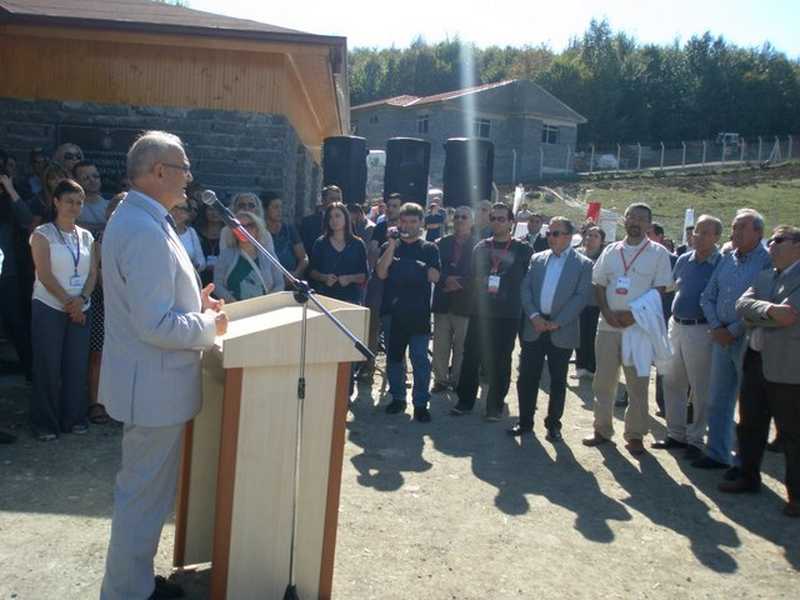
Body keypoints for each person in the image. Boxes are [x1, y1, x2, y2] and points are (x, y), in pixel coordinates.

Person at [100, 131, 228, 600]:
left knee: (145, 497)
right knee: (141, 499)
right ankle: (127, 593)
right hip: (152, 388)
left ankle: (131, 584)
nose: (189, 178)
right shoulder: (140, 226)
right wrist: (209, 326)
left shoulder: (143, 218)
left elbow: (155, 301)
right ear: (158, 172)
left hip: (152, 385)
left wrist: (197, 302)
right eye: (184, 169)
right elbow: (155, 324)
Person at [583, 202, 674, 456]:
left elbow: (660, 289)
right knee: (603, 381)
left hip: (638, 328)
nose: (635, 221)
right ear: (624, 220)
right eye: (631, 216)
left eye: (641, 218)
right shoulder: (611, 250)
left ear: (649, 223)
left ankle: (635, 435)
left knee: (637, 384)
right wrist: (606, 312)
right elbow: (599, 284)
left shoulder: (658, 253)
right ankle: (602, 429)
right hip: (608, 326)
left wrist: (634, 315)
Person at [722, 225, 800, 517]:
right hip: (755, 359)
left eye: (779, 240)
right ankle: (748, 475)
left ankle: (797, 496)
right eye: (772, 241)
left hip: (789, 367)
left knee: (793, 433)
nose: (772, 245)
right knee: (750, 423)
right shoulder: (766, 275)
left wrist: (761, 314)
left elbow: (790, 315)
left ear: (798, 246)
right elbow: (743, 304)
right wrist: (769, 312)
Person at [694, 209, 772, 471]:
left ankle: (744, 464)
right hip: (721, 337)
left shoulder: (766, 262)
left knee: (748, 406)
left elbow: (764, 303)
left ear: (758, 232)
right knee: (718, 398)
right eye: (734, 227)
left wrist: (734, 330)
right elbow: (708, 296)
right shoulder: (728, 258)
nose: (735, 232)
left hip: (748, 339)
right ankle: (717, 453)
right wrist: (718, 327)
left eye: (742, 227)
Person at [511, 216, 593, 441]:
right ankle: (525, 421)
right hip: (534, 326)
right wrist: (535, 316)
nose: (551, 238)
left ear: (568, 236)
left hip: (561, 329)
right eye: (549, 233)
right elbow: (525, 289)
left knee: (558, 380)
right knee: (527, 377)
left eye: (556, 233)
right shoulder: (537, 259)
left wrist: (557, 322)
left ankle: (553, 424)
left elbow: (581, 297)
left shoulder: (583, 264)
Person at [29, 179, 98, 440]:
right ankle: (44, 423)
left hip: (81, 306)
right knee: (48, 365)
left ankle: (74, 418)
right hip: (50, 305)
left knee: (76, 365)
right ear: (56, 202)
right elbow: (45, 274)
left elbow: (92, 273)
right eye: (69, 201)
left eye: (79, 202)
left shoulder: (87, 236)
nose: (74, 206)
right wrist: (70, 304)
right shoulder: (42, 234)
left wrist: (81, 299)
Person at [452, 203, 533, 420]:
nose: (496, 222)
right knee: (471, 356)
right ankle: (465, 400)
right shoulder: (481, 247)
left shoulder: (523, 250)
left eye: (501, 219)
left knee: (501, 359)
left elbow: (529, 281)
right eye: (493, 218)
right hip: (480, 312)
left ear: (511, 222)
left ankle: (495, 405)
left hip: (508, 313)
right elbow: (471, 277)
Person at [652, 215, 722, 459]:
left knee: (700, 386)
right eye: (696, 232)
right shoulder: (683, 259)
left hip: (701, 329)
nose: (698, 236)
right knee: (672, 380)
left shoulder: (720, 263)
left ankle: (695, 438)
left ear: (716, 237)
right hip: (677, 326)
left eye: (705, 232)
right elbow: (672, 287)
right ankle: (676, 434)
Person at [376, 202, 441, 422]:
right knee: (394, 359)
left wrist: (419, 267)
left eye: (414, 221)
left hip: (419, 314)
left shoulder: (430, 249)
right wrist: (392, 246)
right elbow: (381, 273)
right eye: (404, 221)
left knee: (420, 359)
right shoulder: (390, 246)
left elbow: (435, 277)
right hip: (393, 314)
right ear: (398, 222)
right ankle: (398, 398)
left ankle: (421, 403)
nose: (409, 225)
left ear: (421, 223)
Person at [88, 193, 127, 426]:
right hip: (104, 302)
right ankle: (96, 403)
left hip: (128, 305)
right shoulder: (100, 238)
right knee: (98, 355)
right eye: (114, 208)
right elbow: (100, 271)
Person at [431, 205, 477, 393]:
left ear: (471, 222)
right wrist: (445, 280)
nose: (459, 220)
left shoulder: (480, 245)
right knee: (440, 345)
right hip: (443, 301)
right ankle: (440, 380)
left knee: (462, 347)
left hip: (466, 304)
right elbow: (433, 268)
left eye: (464, 217)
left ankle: (458, 381)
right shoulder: (440, 243)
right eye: (456, 216)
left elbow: (480, 273)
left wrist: (460, 283)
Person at [0, 165, 35, 382]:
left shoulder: (8, 205)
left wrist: (9, 189)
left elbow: (27, 218)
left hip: (8, 275)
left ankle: (30, 371)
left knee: (16, 323)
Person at [213, 211, 283, 302]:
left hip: (266, 310)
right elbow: (217, 285)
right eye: (239, 226)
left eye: (250, 225)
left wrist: (266, 303)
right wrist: (235, 303)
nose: (244, 229)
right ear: (234, 231)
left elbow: (280, 284)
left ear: (257, 229)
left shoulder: (268, 255)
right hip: (236, 312)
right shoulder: (225, 255)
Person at [309, 201, 368, 304]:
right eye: (330, 217)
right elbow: (312, 271)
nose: (334, 220)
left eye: (337, 216)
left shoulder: (358, 244)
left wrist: (350, 278)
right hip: (325, 298)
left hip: (351, 300)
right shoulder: (320, 243)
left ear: (346, 217)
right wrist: (324, 277)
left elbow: (364, 275)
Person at [648, 221, 679, 417]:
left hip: (663, 318)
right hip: (639, 319)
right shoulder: (636, 258)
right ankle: (628, 398)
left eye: (650, 233)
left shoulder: (675, 261)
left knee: (663, 365)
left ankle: (664, 404)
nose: (646, 236)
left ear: (660, 236)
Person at [573, 225, 605, 379]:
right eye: (589, 235)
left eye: (595, 236)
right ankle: (580, 366)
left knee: (592, 336)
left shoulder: (604, 258)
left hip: (595, 303)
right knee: (578, 334)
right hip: (578, 302)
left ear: (601, 241)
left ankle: (592, 368)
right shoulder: (577, 254)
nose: (590, 239)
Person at [263, 192, 308, 280]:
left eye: (281, 207)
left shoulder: (290, 230)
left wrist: (295, 275)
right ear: (265, 209)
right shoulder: (259, 232)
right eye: (275, 207)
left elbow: (303, 258)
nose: (280, 210)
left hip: (291, 280)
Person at [300, 185, 341, 256]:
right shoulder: (308, 223)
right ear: (323, 200)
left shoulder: (347, 222)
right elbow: (305, 251)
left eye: (339, 199)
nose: (336, 202)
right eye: (332, 199)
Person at [73, 160, 110, 237]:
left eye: (95, 176)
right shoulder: (71, 206)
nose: (92, 180)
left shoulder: (111, 204)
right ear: (76, 181)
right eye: (86, 178)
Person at [195, 200, 225, 286]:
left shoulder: (229, 234)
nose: (214, 213)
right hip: (200, 278)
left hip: (222, 279)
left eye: (218, 209)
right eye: (210, 209)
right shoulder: (196, 232)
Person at [169, 202, 205, 271]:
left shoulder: (191, 232)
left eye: (183, 209)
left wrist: (195, 267)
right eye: (174, 208)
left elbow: (201, 261)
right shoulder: (161, 229)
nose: (178, 212)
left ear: (188, 214)